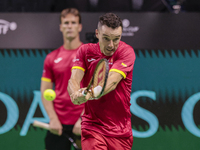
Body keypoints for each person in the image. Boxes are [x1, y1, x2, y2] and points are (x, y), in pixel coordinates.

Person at [68, 13, 136, 150]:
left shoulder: (126, 52)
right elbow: (73, 79)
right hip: (93, 128)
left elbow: (111, 82)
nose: (111, 45)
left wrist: (90, 93)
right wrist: (75, 94)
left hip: (121, 132)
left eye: (116, 39)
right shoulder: (85, 51)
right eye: (106, 38)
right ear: (97, 34)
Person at [40, 8, 84, 150]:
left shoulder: (89, 55)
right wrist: (53, 119)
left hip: (85, 122)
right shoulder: (51, 58)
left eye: (73, 22)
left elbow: (97, 90)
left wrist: (84, 119)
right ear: (61, 27)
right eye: (66, 23)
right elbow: (45, 91)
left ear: (79, 26)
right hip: (58, 123)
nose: (69, 26)